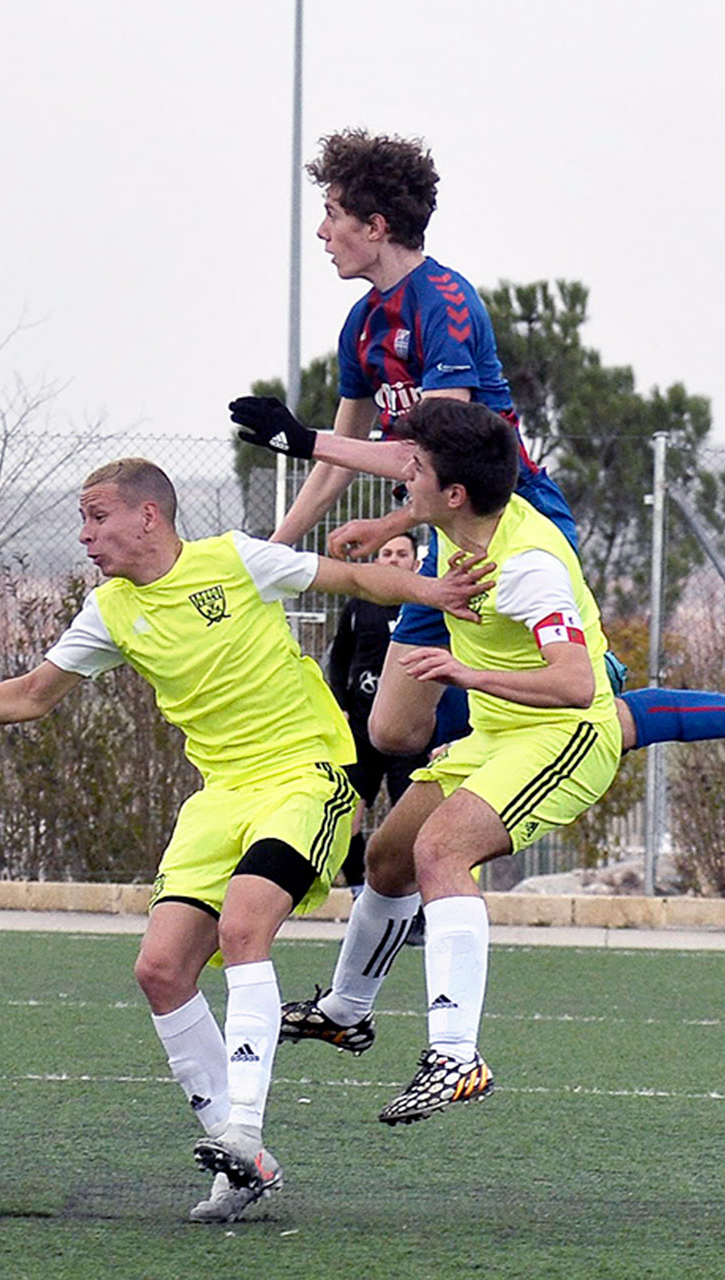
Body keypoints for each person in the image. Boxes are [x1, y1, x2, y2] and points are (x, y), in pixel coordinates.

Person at [0, 458, 491, 1224]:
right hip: (219, 799)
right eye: (83, 522)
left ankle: (246, 1135)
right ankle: (240, 1167)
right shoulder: (111, 609)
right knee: (160, 970)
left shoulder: (235, 559)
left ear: (148, 517)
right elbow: (34, 694)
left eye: (97, 518)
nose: (86, 536)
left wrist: (435, 590)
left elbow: (354, 581)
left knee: (244, 925)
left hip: (303, 775)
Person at [229, 127, 725, 768]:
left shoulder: (445, 304)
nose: (320, 232)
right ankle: (563, 692)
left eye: (331, 214)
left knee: (594, 720)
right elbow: (341, 457)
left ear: (375, 225)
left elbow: (436, 454)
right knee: (392, 731)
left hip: (514, 517)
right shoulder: (362, 325)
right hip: (449, 527)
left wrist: (310, 444)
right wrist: (272, 553)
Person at [286, 398, 621, 1124]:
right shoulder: (456, 528)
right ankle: (346, 1010)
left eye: (417, 468)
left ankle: (457, 1058)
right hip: (497, 737)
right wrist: (309, 443)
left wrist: (469, 678)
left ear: (455, 493)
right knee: (387, 859)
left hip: (564, 736)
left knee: (441, 852)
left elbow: (575, 684)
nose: (404, 473)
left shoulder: (527, 565)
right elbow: (401, 474)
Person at [324, 530, 424, 889]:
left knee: (408, 822)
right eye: (386, 553)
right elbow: (339, 658)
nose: (393, 560)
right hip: (362, 732)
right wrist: (341, 705)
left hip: (408, 733)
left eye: (400, 554)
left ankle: (410, 905)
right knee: (346, 813)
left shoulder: (425, 608)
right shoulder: (358, 606)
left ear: (415, 562)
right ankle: (357, 890)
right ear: (376, 561)